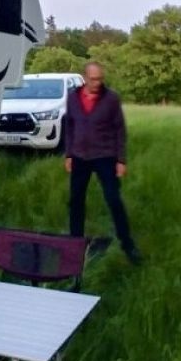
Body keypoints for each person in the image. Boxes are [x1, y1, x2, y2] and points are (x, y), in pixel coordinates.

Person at [64, 62, 143, 266]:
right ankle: (75, 244)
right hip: (80, 156)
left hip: (105, 156)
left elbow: (120, 130)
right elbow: (70, 126)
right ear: (85, 77)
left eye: (100, 79)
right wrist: (69, 154)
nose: (97, 83)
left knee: (114, 200)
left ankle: (128, 245)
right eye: (93, 79)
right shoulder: (73, 97)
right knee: (76, 201)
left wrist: (121, 160)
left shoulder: (111, 99)